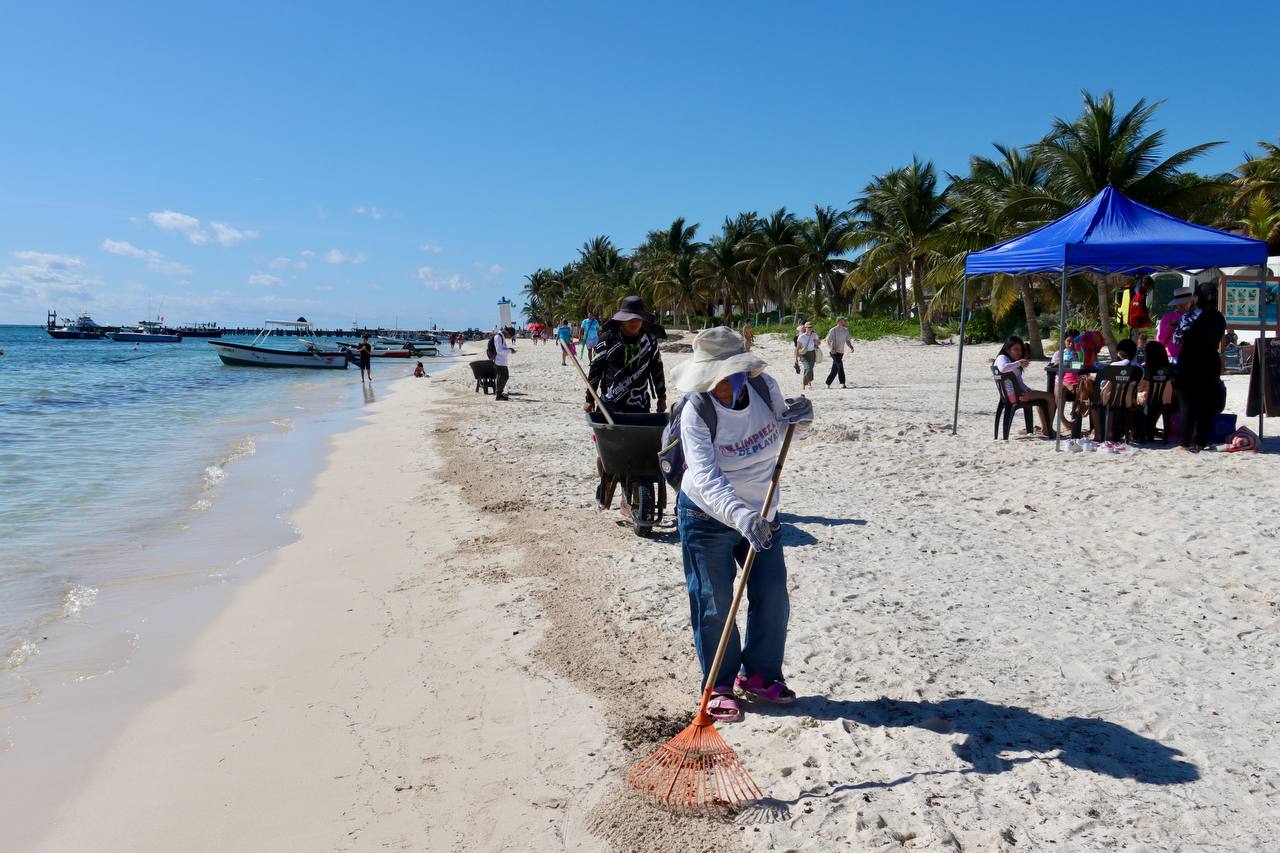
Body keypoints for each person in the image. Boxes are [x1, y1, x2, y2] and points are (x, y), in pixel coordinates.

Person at [667, 326, 815, 723]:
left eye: (727, 379)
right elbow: (707, 476)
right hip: (706, 515)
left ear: (741, 374)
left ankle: (761, 676)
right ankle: (718, 683)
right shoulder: (696, 410)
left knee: (772, 597)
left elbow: (775, 436)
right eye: (712, 380)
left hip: (763, 512)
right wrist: (740, 516)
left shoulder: (765, 387)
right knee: (715, 603)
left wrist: (799, 421)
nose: (720, 387)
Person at [585, 296, 668, 509]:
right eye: (630, 319)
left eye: (638, 319)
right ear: (622, 320)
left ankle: (627, 498)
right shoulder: (607, 340)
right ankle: (607, 483)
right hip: (611, 406)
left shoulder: (649, 341)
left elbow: (657, 369)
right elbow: (595, 370)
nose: (634, 323)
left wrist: (661, 396)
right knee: (607, 455)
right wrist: (589, 398)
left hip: (640, 405)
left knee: (638, 454)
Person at [1173, 283, 1227, 451]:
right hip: (1210, 361)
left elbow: (1177, 339)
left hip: (1189, 361)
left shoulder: (1190, 316)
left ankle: (1184, 443)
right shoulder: (1220, 318)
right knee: (1205, 404)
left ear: (1197, 298)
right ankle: (1201, 442)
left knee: (1187, 404)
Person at [994, 335, 1056, 437]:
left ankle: (1046, 428)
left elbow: (1018, 382)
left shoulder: (1009, 360)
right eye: (1016, 349)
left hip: (1013, 394)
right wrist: (1019, 363)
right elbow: (1002, 368)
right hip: (1016, 396)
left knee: (1044, 398)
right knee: (1049, 397)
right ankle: (1048, 429)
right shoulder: (1002, 358)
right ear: (1007, 349)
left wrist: (1027, 389)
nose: (1019, 352)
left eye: (1021, 349)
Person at [1135, 341, 1174, 443]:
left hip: (1148, 402)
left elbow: (1140, 387)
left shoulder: (1145, 369)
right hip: (1166, 402)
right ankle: (1160, 434)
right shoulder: (1170, 368)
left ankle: (1142, 433)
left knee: (1137, 400)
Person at [1156, 286, 1196, 362]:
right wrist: (1169, 328)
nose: (1182, 305)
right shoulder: (1168, 317)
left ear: (1191, 302)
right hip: (1173, 357)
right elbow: (1160, 342)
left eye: (1186, 302)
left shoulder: (1197, 316)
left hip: (1193, 356)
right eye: (1180, 303)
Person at [824, 317, 853, 388]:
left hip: (841, 352)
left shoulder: (845, 330)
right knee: (840, 365)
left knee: (835, 369)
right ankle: (842, 383)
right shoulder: (833, 330)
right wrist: (831, 348)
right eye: (844, 321)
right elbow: (827, 341)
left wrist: (851, 347)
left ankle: (827, 383)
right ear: (839, 321)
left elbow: (847, 340)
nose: (845, 322)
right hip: (834, 352)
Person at [492, 326, 516, 401]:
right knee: (502, 377)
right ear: (507, 332)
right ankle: (498, 395)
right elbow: (499, 350)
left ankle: (499, 393)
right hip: (499, 361)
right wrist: (510, 350)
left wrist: (510, 350)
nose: (509, 337)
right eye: (510, 335)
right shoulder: (498, 337)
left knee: (504, 377)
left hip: (502, 361)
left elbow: (502, 349)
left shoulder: (501, 337)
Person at [794, 322, 820, 391]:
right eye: (808, 327)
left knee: (809, 369)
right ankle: (809, 384)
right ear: (805, 328)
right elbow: (797, 348)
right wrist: (796, 359)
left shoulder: (814, 335)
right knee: (808, 368)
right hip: (804, 355)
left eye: (811, 327)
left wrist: (816, 342)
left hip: (812, 353)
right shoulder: (801, 337)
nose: (809, 328)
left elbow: (819, 343)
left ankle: (805, 385)